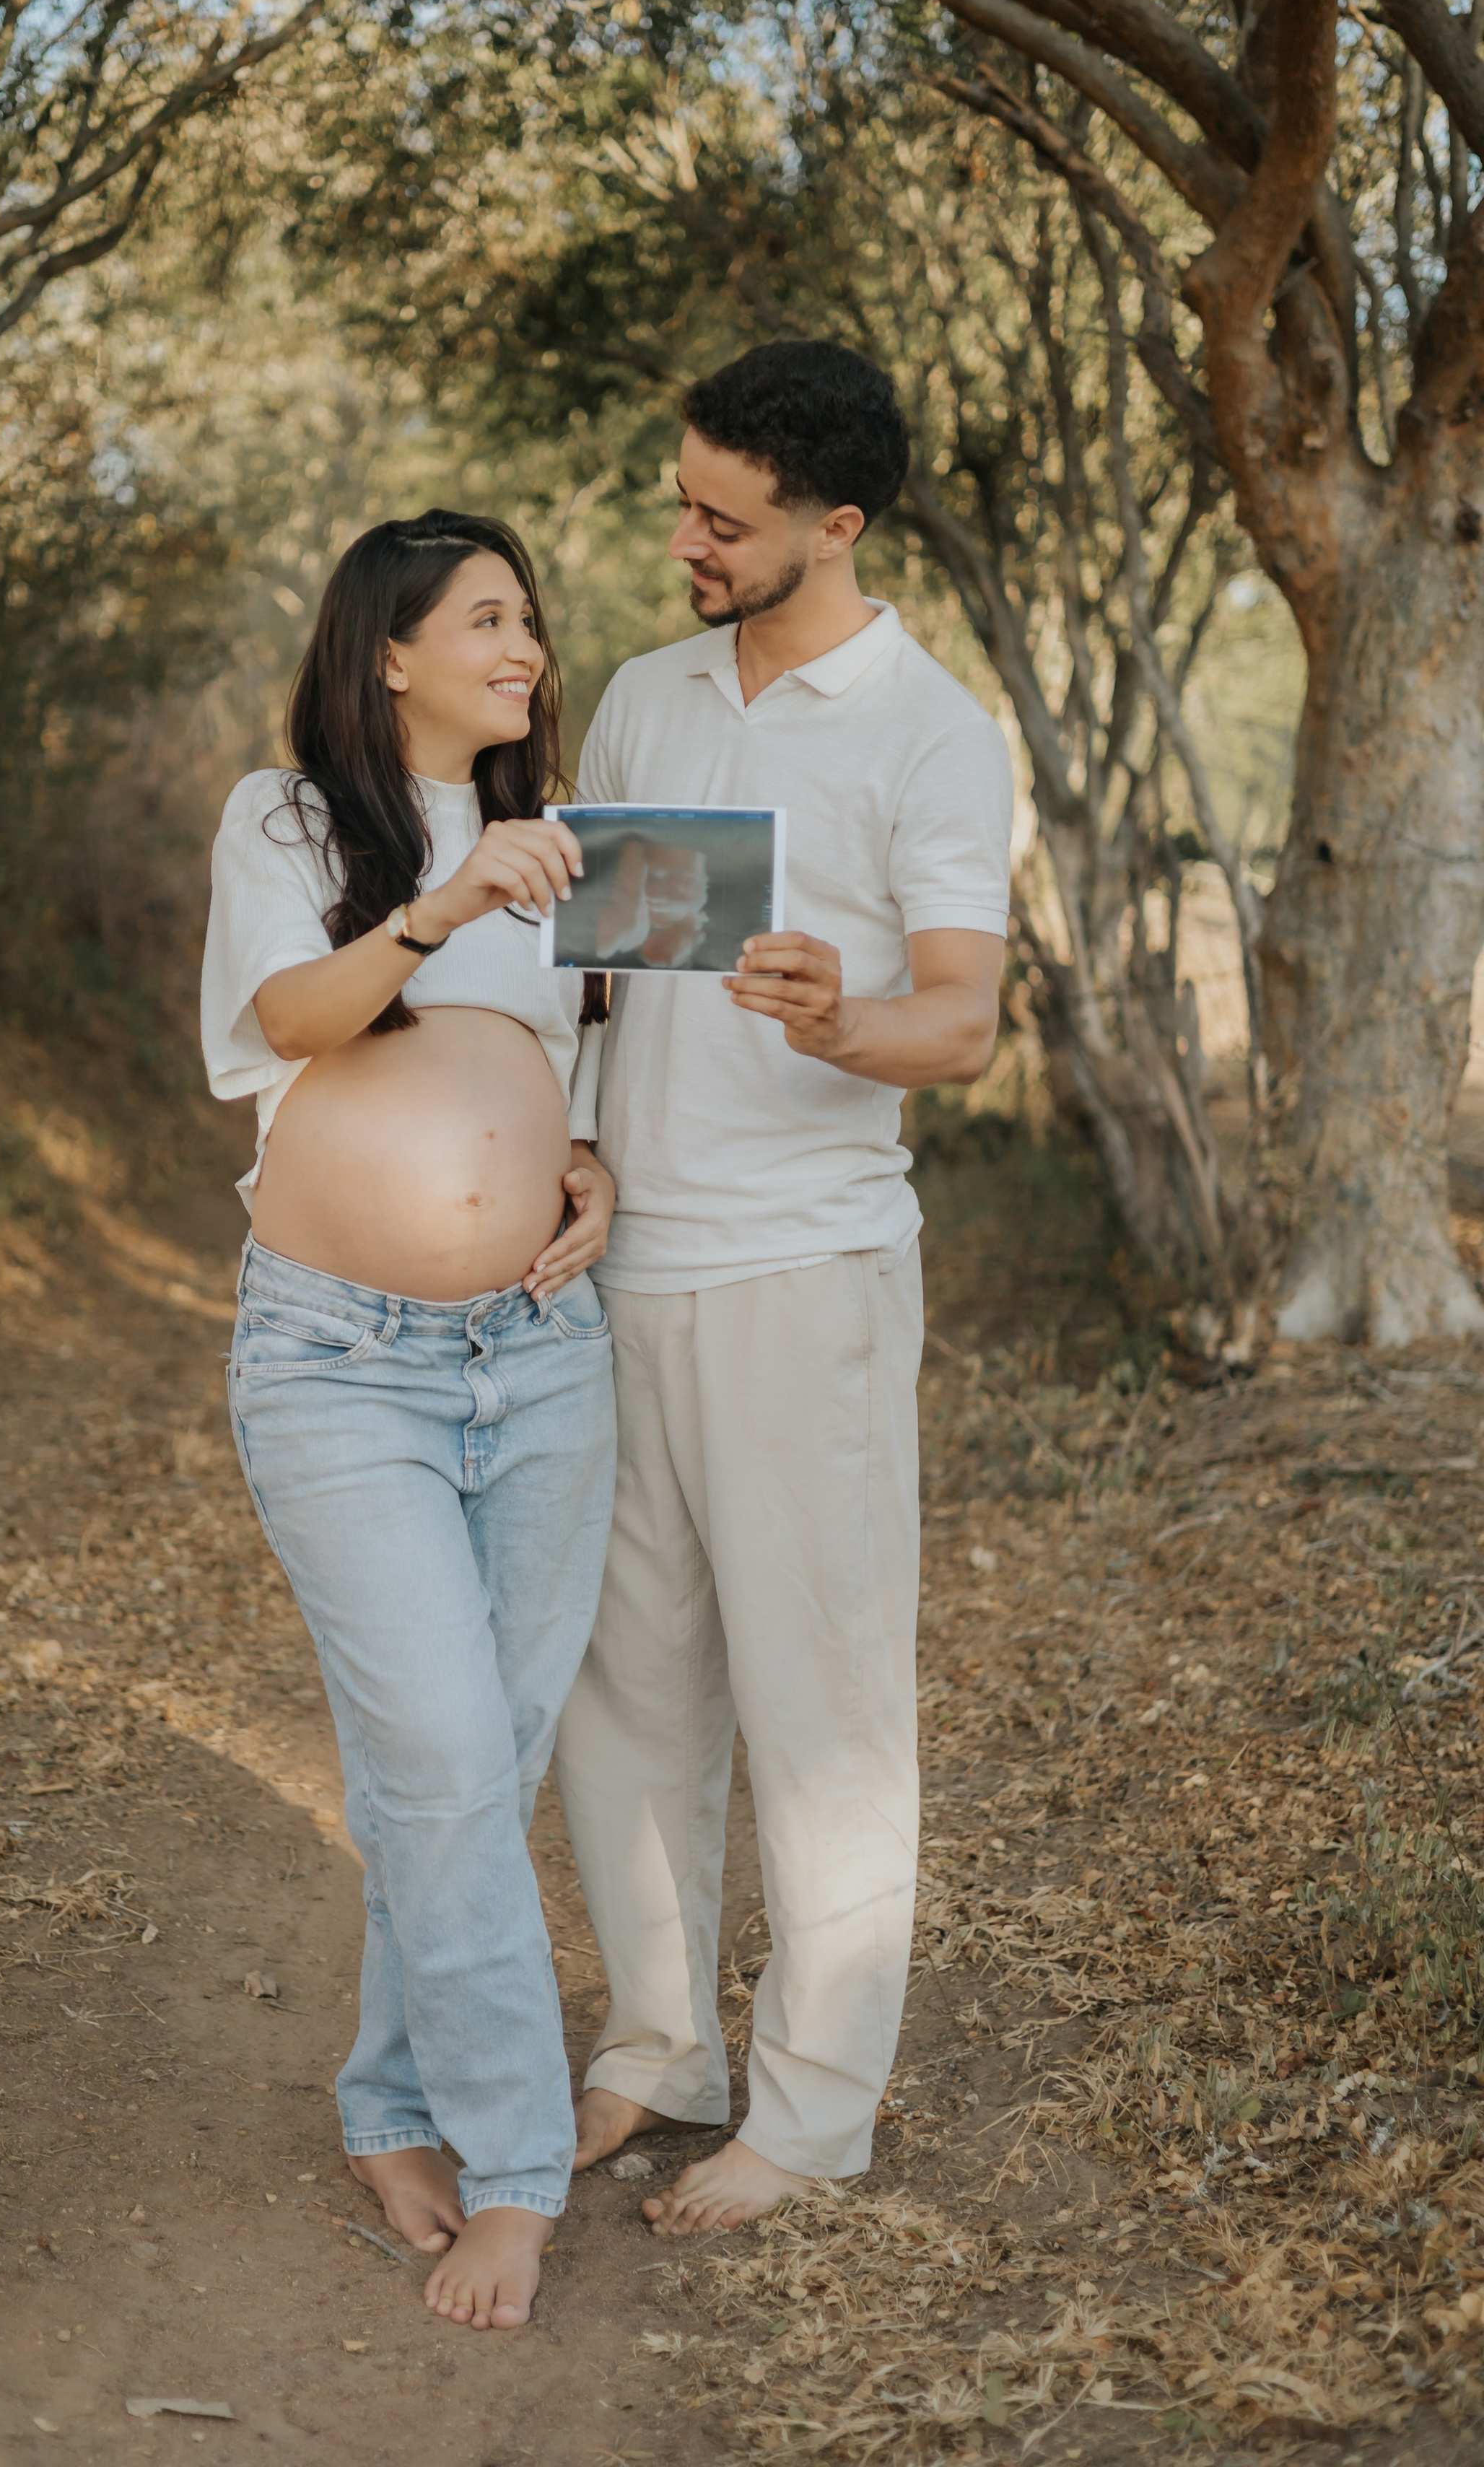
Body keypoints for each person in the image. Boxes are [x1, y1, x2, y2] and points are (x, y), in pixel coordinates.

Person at [556, 340, 1013, 2233]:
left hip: (806, 1276)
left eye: (722, 519)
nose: (686, 539)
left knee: (821, 1705)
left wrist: (847, 1023)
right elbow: (604, 987)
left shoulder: (931, 733)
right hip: (623, 1269)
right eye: (682, 504)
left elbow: (965, 1024)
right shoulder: (648, 700)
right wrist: (567, 1155)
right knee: (627, 1688)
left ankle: (812, 2110)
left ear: (834, 525)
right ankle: (658, 2046)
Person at [201, 510, 618, 2329]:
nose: (522, 648)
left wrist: (587, 1163)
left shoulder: (583, 847)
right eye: (485, 619)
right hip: (336, 1365)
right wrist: (440, 906)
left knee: (470, 1774)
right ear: (387, 649)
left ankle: (386, 2100)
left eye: (529, 621)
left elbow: (580, 1066)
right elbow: (283, 1017)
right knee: (445, 1762)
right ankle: (516, 2165)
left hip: (539, 1356)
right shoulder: (286, 820)